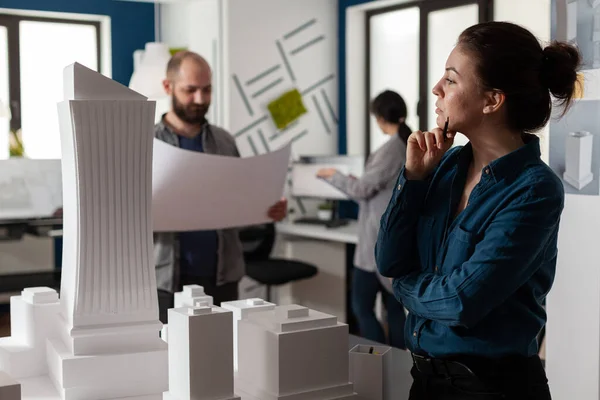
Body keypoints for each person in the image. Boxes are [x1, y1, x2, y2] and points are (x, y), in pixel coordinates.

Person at [375, 22, 580, 399]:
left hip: (492, 389)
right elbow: (388, 260)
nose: (437, 89)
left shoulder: (535, 189)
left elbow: (461, 301)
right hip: (426, 382)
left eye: (451, 80)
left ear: (492, 100)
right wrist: (414, 178)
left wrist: (404, 288)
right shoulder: (446, 166)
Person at [154, 51, 287, 306]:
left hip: (222, 279)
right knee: (169, 347)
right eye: (190, 90)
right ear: (168, 87)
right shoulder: (148, 143)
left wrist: (267, 210)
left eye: (207, 90)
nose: (200, 99)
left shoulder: (225, 141)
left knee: (224, 346)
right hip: (165, 280)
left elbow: (237, 206)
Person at [317, 90, 410, 349]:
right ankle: (396, 367)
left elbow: (362, 191)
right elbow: (375, 190)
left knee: (362, 308)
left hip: (375, 247)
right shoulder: (404, 146)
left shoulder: (391, 149)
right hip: (393, 243)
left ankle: (376, 361)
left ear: (380, 118)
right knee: (393, 311)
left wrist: (333, 175)